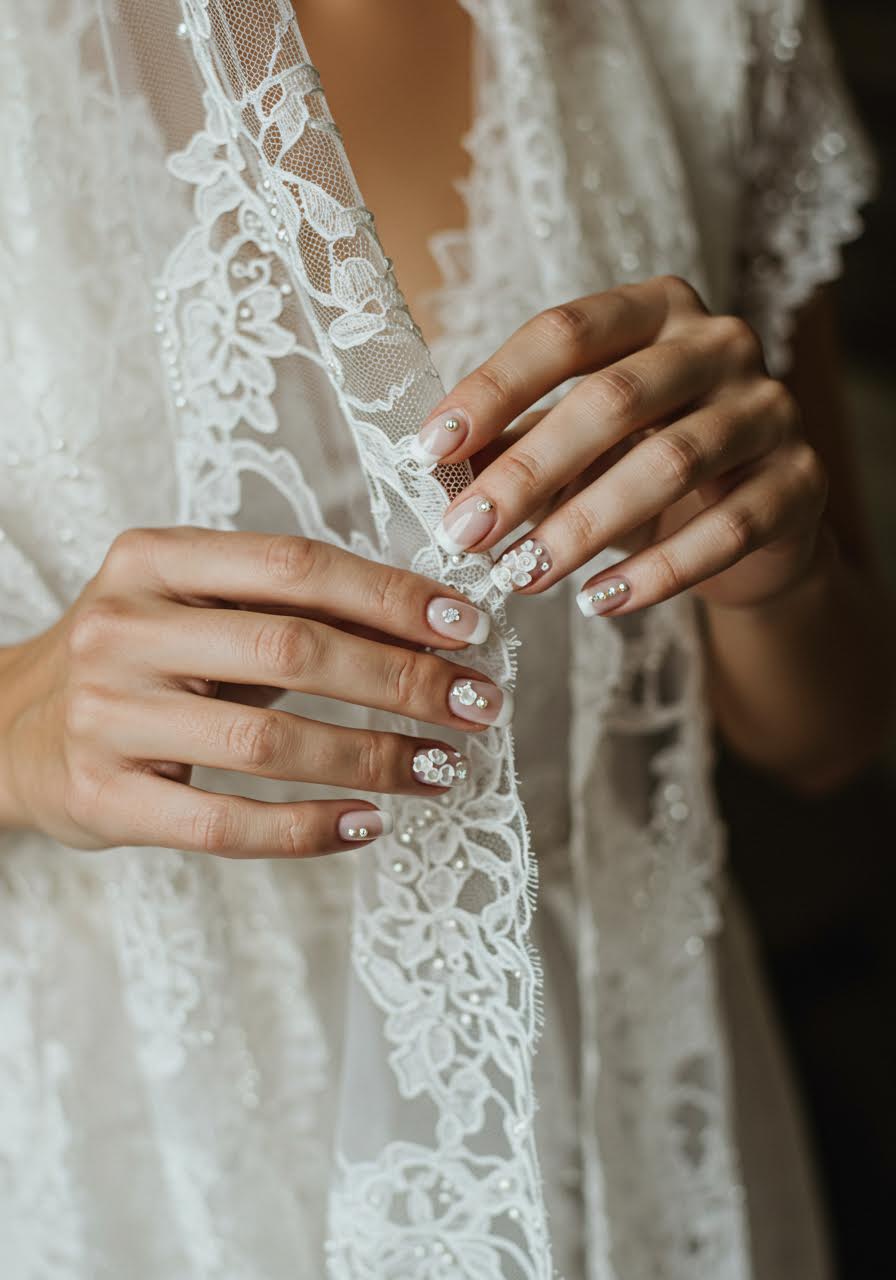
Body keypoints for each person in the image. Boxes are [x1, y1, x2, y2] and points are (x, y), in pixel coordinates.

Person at [0, 2, 892, 1276]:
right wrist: (15, 729)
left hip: (619, 1120)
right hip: (143, 1146)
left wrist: (769, 575)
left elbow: (829, 735)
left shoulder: (721, 25)